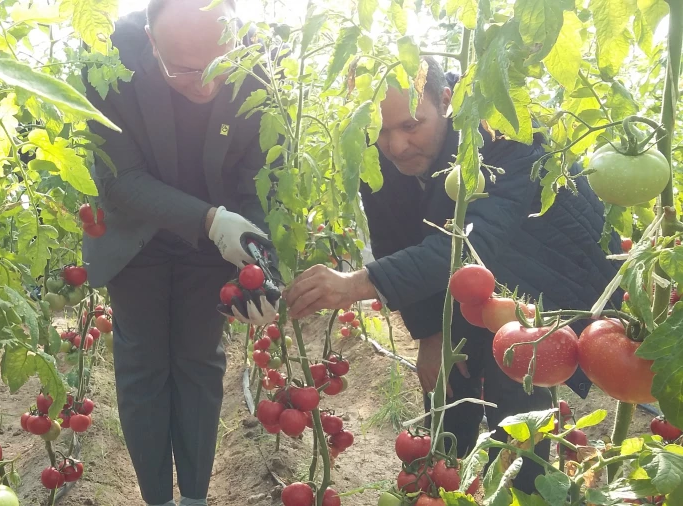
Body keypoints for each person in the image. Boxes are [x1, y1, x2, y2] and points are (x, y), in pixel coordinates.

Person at [283, 57, 622, 492]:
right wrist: (429, 334)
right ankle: (442, 481)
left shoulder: (503, 127)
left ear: (446, 101)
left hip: (540, 274)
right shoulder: (377, 151)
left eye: (410, 126)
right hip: (467, 279)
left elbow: (465, 244)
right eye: (382, 131)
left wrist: (354, 284)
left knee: (516, 416)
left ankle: (519, 492)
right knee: (445, 395)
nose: (397, 145)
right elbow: (396, 240)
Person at [80, 0, 278, 504]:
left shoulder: (258, 59)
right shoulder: (107, 55)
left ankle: (192, 497)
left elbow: (258, 173)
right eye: (185, 70)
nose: (206, 86)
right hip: (137, 236)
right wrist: (208, 219)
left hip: (215, 242)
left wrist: (262, 259)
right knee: (143, 365)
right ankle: (156, 498)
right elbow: (120, 179)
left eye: (219, 66)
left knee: (199, 362)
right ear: (149, 40)